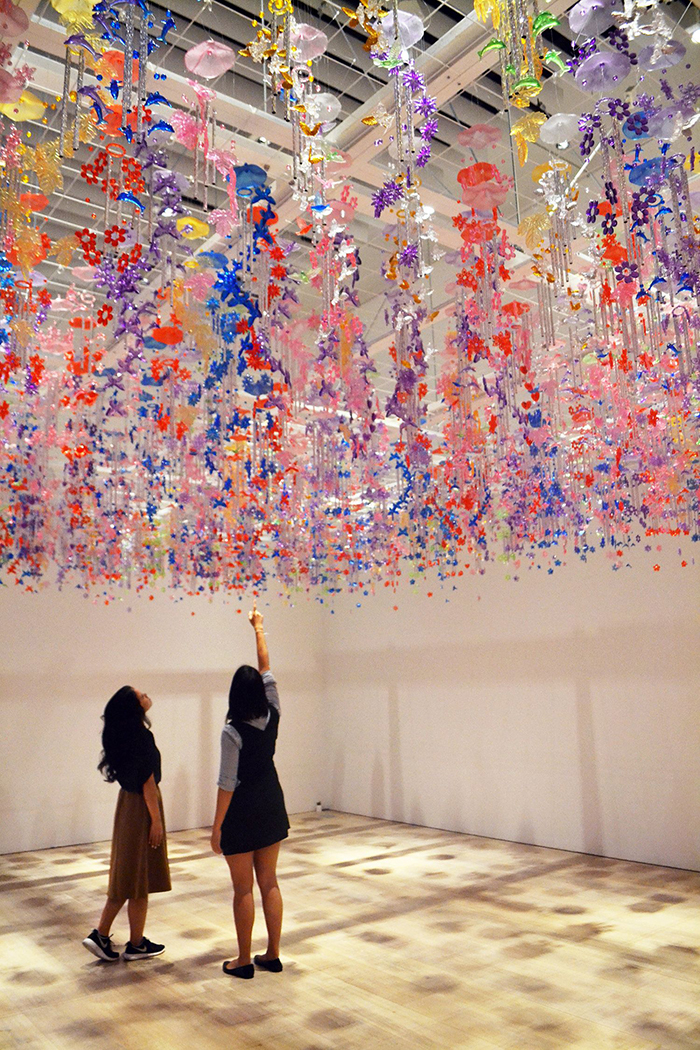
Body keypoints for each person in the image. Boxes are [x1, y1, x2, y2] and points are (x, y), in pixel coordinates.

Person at [211, 604, 289, 978]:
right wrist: (259, 627)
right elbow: (266, 667)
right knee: (269, 882)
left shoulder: (232, 732)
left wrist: (216, 827)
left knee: (243, 890)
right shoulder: (273, 710)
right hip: (272, 803)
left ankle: (243, 960)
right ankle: (272, 953)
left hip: (242, 813)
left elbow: (226, 784)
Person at [82, 686, 171, 963]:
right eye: (140, 695)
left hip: (127, 805)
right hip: (142, 807)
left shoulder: (123, 736)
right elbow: (147, 782)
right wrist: (155, 821)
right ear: (135, 708)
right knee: (139, 877)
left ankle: (121, 939)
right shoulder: (142, 737)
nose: (146, 695)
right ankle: (129, 942)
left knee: (128, 873)